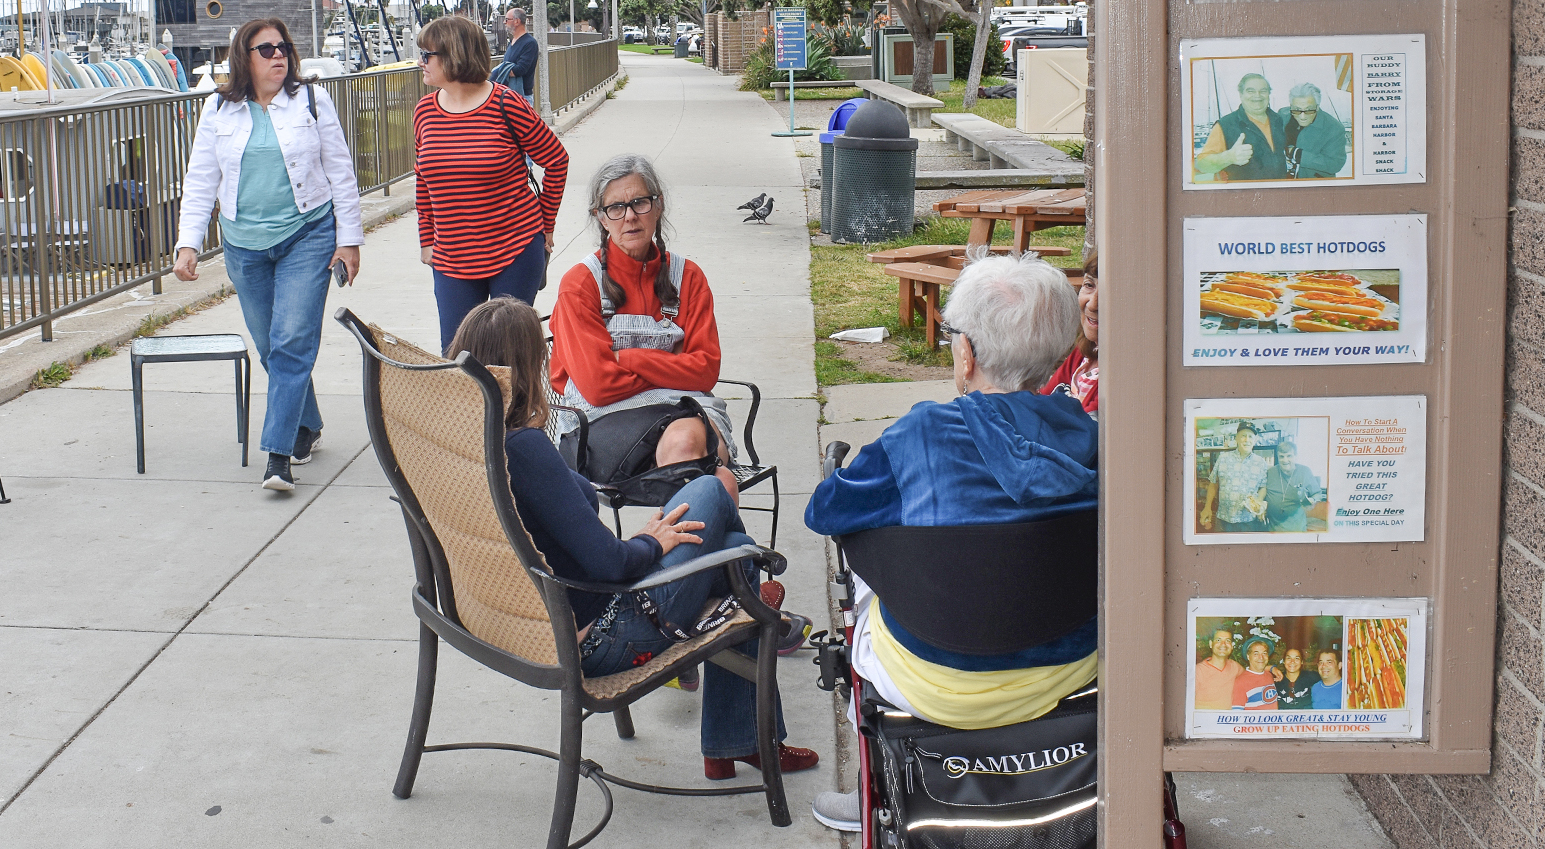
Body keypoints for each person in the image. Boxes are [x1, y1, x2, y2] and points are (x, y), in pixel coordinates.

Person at [449, 298, 819, 782]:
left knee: (730, 548)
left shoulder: (467, 446)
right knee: (712, 489)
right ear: (526, 367)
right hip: (605, 637)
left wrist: (648, 538)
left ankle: (739, 717)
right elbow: (612, 565)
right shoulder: (523, 449)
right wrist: (651, 545)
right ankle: (752, 680)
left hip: (523, 625)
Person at [805, 255, 1096, 832]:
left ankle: (877, 789)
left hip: (939, 682)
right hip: (1072, 668)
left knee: (865, 580)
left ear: (965, 354)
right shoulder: (1095, 437)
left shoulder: (921, 436)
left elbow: (826, 512)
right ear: (1060, 351)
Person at [174, 18, 364, 493]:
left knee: (292, 342)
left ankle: (278, 456)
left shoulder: (313, 101)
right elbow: (201, 179)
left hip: (308, 234)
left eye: (283, 48)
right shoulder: (218, 108)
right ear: (245, 58)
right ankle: (307, 423)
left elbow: (340, 172)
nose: (278, 55)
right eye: (266, 50)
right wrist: (188, 242)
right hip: (244, 244)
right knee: (272, 347)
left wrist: (350, 239)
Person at [549, 154, 740, 501]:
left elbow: (705, 371)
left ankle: (666, 549)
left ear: (658, 205)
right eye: (616, 207)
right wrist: (675, 366)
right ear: (601, 218)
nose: (631, 216)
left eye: (640, 202)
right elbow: (597, 387)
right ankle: (725, 553)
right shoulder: (580, 285)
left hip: (686, 414)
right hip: (600, 429)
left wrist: (626, 358)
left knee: (689, 448)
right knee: (716, 479)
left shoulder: (688, 278)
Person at [414, 14, 568, 353]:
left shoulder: (505, 103)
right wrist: (427, 239)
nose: (420, 62)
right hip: (452, 259)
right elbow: (423, 182)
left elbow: (556, 159)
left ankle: (519, 409)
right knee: (457, 358)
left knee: (506, 359)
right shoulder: (424, 112)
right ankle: (475, 411)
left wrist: (546, 226)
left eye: (427, 55)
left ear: (455, 56)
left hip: (513, 251)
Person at [1194, 72, 1285, 181]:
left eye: (1263, 91)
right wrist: (1229, 157)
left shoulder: (1278, 120)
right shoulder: (1225, 125)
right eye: (1250, 91)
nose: (1258, 95)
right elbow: (1203, 164)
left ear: (1268, 94)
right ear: (1241, 95)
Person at [1041, 256, 1098, 415]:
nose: (1093, 304)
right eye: (1089, 285)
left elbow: (1085, 432)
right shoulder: (1083, 354)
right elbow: (1041, 401)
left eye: (1110, 293)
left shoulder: (1117, 375)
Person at [1199, 422, 1269, 533]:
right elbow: (1213, 483)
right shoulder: (1223, 458)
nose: (1247, 440)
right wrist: (1207, 507)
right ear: (1236, 438)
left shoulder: (1261, 463)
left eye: (1250, 436)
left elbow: (1263, 487)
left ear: (1255, 440)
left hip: (1248, 521)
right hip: (1223, 519)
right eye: (1243, 436)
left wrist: (1258, 502)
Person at [1276, 82, 1347, 179]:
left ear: (1317, 107)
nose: (1302, 116)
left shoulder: (1334, 128)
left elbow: (1335, 164)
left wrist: (1298, 154)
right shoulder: (1282, 115)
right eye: (1296, 110)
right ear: (1291, 106)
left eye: (1309, 110)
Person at [1262, 439, 1327, 532]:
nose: (1285, 460)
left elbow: (1317, 494)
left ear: (1295, 456)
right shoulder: (1270, 472)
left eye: (1289, 456)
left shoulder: (1305, 471)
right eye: (1281, 456)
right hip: (1272, 528)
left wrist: (1312, 501)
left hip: (1296, 529)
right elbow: (1263, 491)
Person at [490, 6, 538, 98]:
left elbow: (520, 70)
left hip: (523, 95)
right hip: (508, 94)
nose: (504, 22)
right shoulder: (511, 42)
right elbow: (506, 64)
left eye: (507, 19)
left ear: (516, 21)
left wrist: (500, 70)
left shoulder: (530, 43)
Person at [1194, 627, 1243, 709]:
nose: (1223, 644)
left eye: (1228, 641)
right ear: (1211, 644)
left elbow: (1253, 673)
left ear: (1232, 646)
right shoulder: (1198, 671)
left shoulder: (1235, 667)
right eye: (1218, 640)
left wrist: (1271, 668)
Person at [1232, 639, 1280, 710]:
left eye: (1264, 653)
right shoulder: (1240, 682)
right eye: (1256, 654)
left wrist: (1272, 668)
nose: (1261, 657)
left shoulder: (1269, 675)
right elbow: (1237, 713)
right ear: (1248, 656)